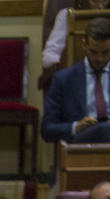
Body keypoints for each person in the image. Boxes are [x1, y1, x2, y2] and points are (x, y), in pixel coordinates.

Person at [43, 16, 110, 144]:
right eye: (94, 52)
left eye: (106, 52)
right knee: (103, 129)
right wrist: (75, 127)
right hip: (82, 143)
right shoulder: (64, 79)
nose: (100, 58)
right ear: (84, 44)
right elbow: (47, 129)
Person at [42, 0, 110, 75]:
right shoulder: (67, 16)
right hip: (77, 75)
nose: (101, 6)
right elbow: (50, 56)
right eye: (95, 0)